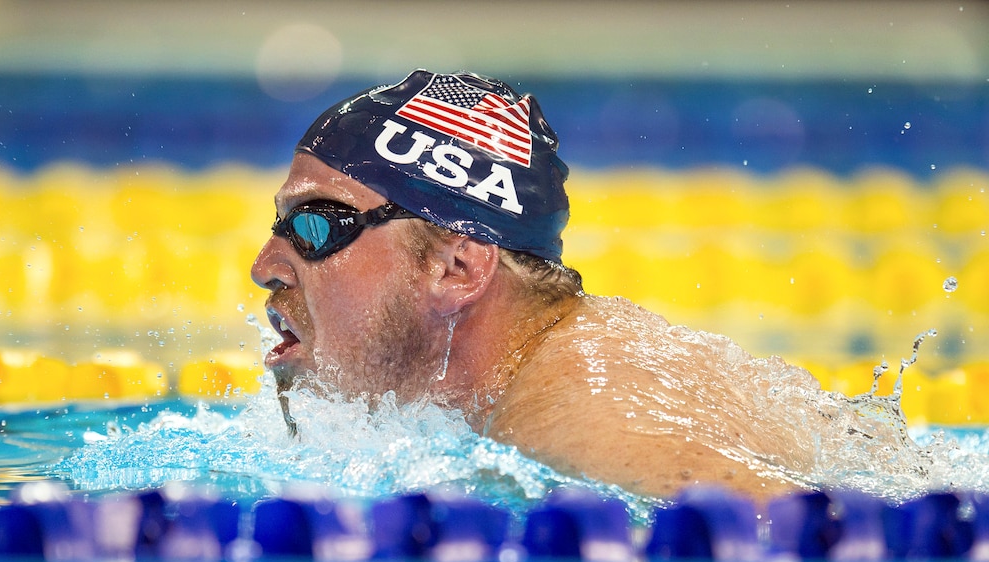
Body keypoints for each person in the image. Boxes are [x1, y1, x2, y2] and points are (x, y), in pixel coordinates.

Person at [250, 69, 837, 502]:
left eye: (316, 223)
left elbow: (775, 547)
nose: (265, 265)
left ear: (457, 268)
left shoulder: (587, 422)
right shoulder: (553, 375)